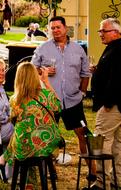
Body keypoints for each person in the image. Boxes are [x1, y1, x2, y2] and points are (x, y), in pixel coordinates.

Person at [31, 16, 93, 171]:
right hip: (50, 101)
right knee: (46, 136)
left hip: (73, 100)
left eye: (58, 27)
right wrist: (42, 71)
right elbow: (30, 69)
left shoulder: (78, 49)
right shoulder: (43, 48)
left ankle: (93, 172)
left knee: (84, 134)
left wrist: (83, 93)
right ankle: (46, 170)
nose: (55, 31)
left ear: (65, 28)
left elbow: (85, 73)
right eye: (52, 28)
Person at [91, 18, 121, 189]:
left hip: (113, 104)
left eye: (104, 31)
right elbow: (113, 74)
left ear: (116, 33)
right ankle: (118, 183)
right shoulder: (115, 49)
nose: (100, 34)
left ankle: (101, 183)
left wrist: (108, 102)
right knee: (118, 143)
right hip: (120, 103)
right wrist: (98, 70)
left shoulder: (119, 51)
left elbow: (119, 79)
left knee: (100, 139)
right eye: (100, 31)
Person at [2, 63, 61, 174]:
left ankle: (6, 164)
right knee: (21, 134)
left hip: (25, 147)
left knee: (18, 135)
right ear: (35, 76)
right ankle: (5, 162)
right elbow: (58, 107)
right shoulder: (47, 95)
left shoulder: (15, 100)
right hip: (49, 144)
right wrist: (46, 82)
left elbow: (13, 121)